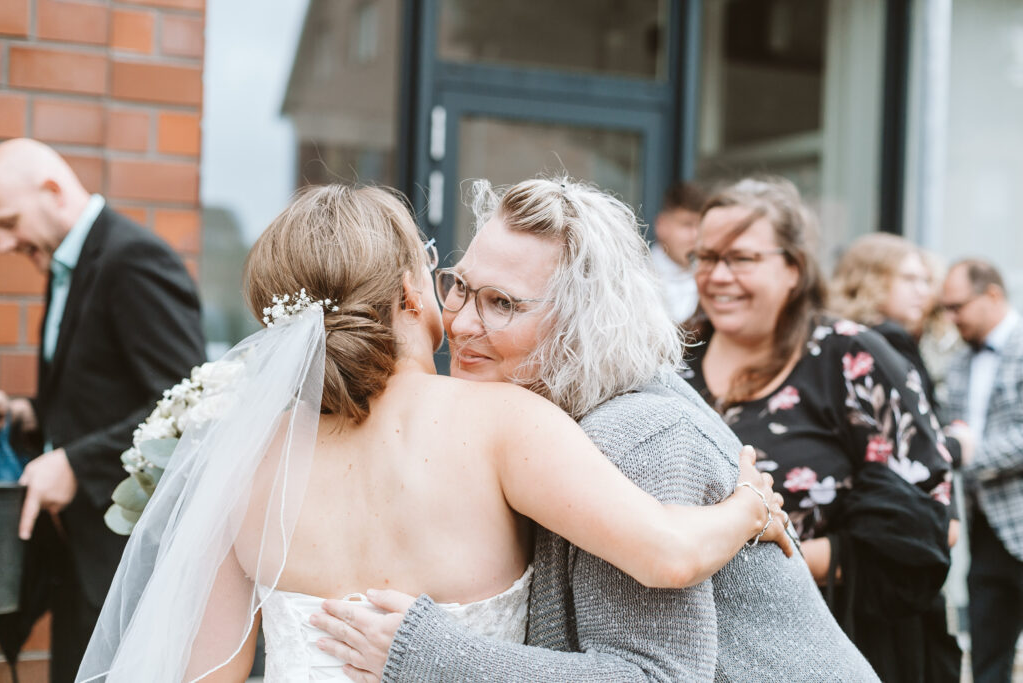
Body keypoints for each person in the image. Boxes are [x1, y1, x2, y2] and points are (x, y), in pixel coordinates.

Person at [76, 184, 789, 682]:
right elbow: (666, 554)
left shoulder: (246, 464)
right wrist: (747, 504)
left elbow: (207, 674)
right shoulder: (501, 423)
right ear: (413, 293)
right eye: (440, 272)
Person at [315, 177, 878, 682]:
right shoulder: (526, 420)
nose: (460, 324)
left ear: (584, 323)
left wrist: (433, 655)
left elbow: (656, 676)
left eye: (502, 303)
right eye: (459, 287)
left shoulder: (635, 437)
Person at [679, 177, 954, 681]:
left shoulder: (853, 357)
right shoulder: (671, 360)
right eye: (704, 257)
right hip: (692, 647)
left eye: (741, 259)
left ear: (793, 267)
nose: (717, 276)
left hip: (840, 643)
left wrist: (741, 562)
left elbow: (934, 525)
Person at [0, 139, 205, 682]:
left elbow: (187, 405)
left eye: (9, 221)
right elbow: (96, 399)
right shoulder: (67, 264)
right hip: (78, 559)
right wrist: (26, 414)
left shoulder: (132, 258)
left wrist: (76, 465)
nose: (4, 243)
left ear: (52, 191)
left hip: (123, 568)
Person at [831, 231, 967, 682]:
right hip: (892, 540)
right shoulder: (885, 342)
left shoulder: (834, 341)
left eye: (926, 280)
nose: (924, 291)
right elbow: (906, 449)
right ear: (871, 280)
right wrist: (957, 445)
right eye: (910, 278)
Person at [941, 259, 1023, 683]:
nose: (951, 318)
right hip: (984, 526)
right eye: (946, 309)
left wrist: (972, 454)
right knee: (989, 656)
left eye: (958, 306)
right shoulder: (957, 362)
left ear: (992, 294)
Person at [650, 181, 705, 325]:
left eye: (701, 226)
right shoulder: (636, 275)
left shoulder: (711, 279)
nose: (696, 235)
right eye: (687, 224)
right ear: (661, 225)